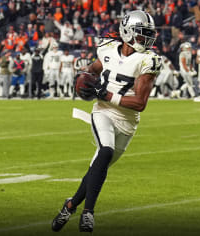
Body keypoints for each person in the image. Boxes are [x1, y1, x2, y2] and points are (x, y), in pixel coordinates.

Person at [51, 10, 161, 232]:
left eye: (148, 35)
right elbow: (91, 70)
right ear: (127, 32)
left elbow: (140, 103)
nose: (145, 40)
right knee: (106, 151)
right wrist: (85, 80)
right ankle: (88, 213)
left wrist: (107, 94)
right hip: (102, 112)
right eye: (141, 35)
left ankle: (70, 205)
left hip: (128, 122)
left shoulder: (148, 60)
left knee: (96, 168)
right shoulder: (107, 48)